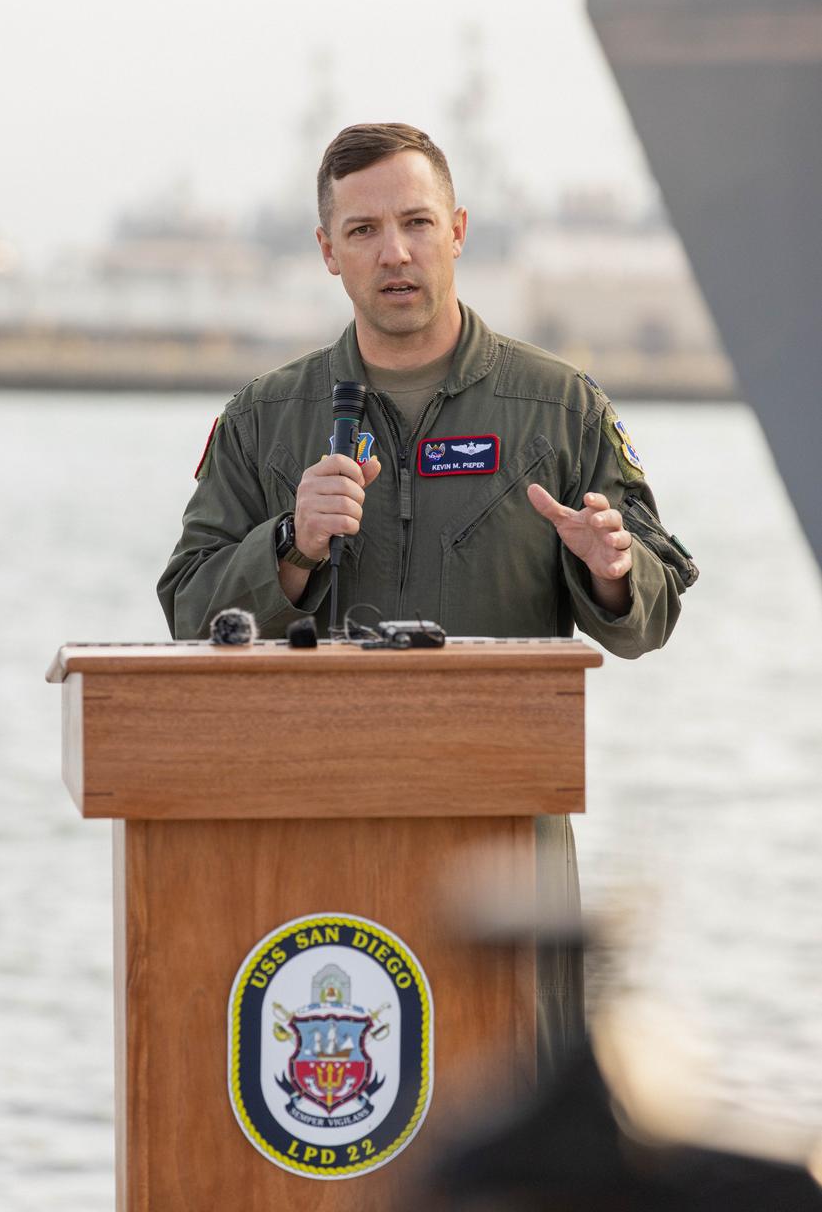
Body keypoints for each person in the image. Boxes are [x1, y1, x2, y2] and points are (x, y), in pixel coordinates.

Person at [157, 122, 698, 1078]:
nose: (394, 253)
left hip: (504, 842)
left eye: (415, 223)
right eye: (362, 230)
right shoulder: (264, 418)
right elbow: (187, 608)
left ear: (457, 230)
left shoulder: (556, 406)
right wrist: (290, 544)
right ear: (327, 251)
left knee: (518, 1107)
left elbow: (650, 609)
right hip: (310, 835)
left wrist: (611, 569)